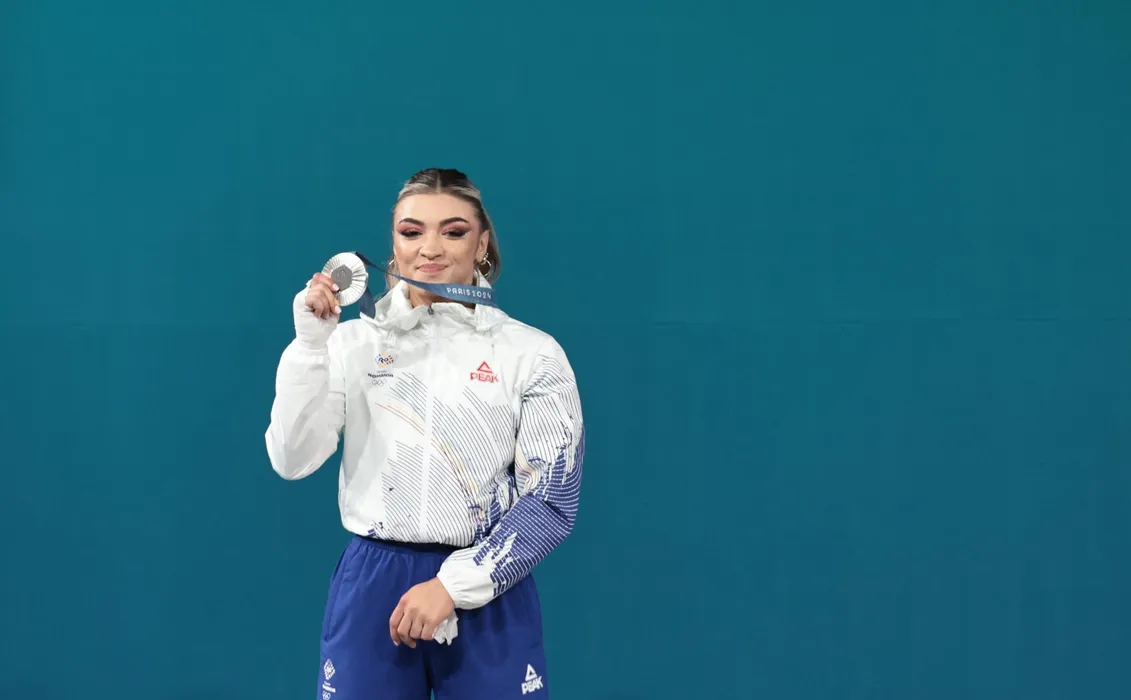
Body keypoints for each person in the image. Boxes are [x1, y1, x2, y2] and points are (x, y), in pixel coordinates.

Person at [264, 168, 585, 699]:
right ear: (393, 244)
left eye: (453, 231)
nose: (430, 248)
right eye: (411, 232)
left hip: (489, 584)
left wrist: (452, 587)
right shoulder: (352, 344)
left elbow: (552, 502)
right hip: (374, 585)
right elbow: (291, 459)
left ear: (482, 243)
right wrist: (310, 346)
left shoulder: (531, 353)